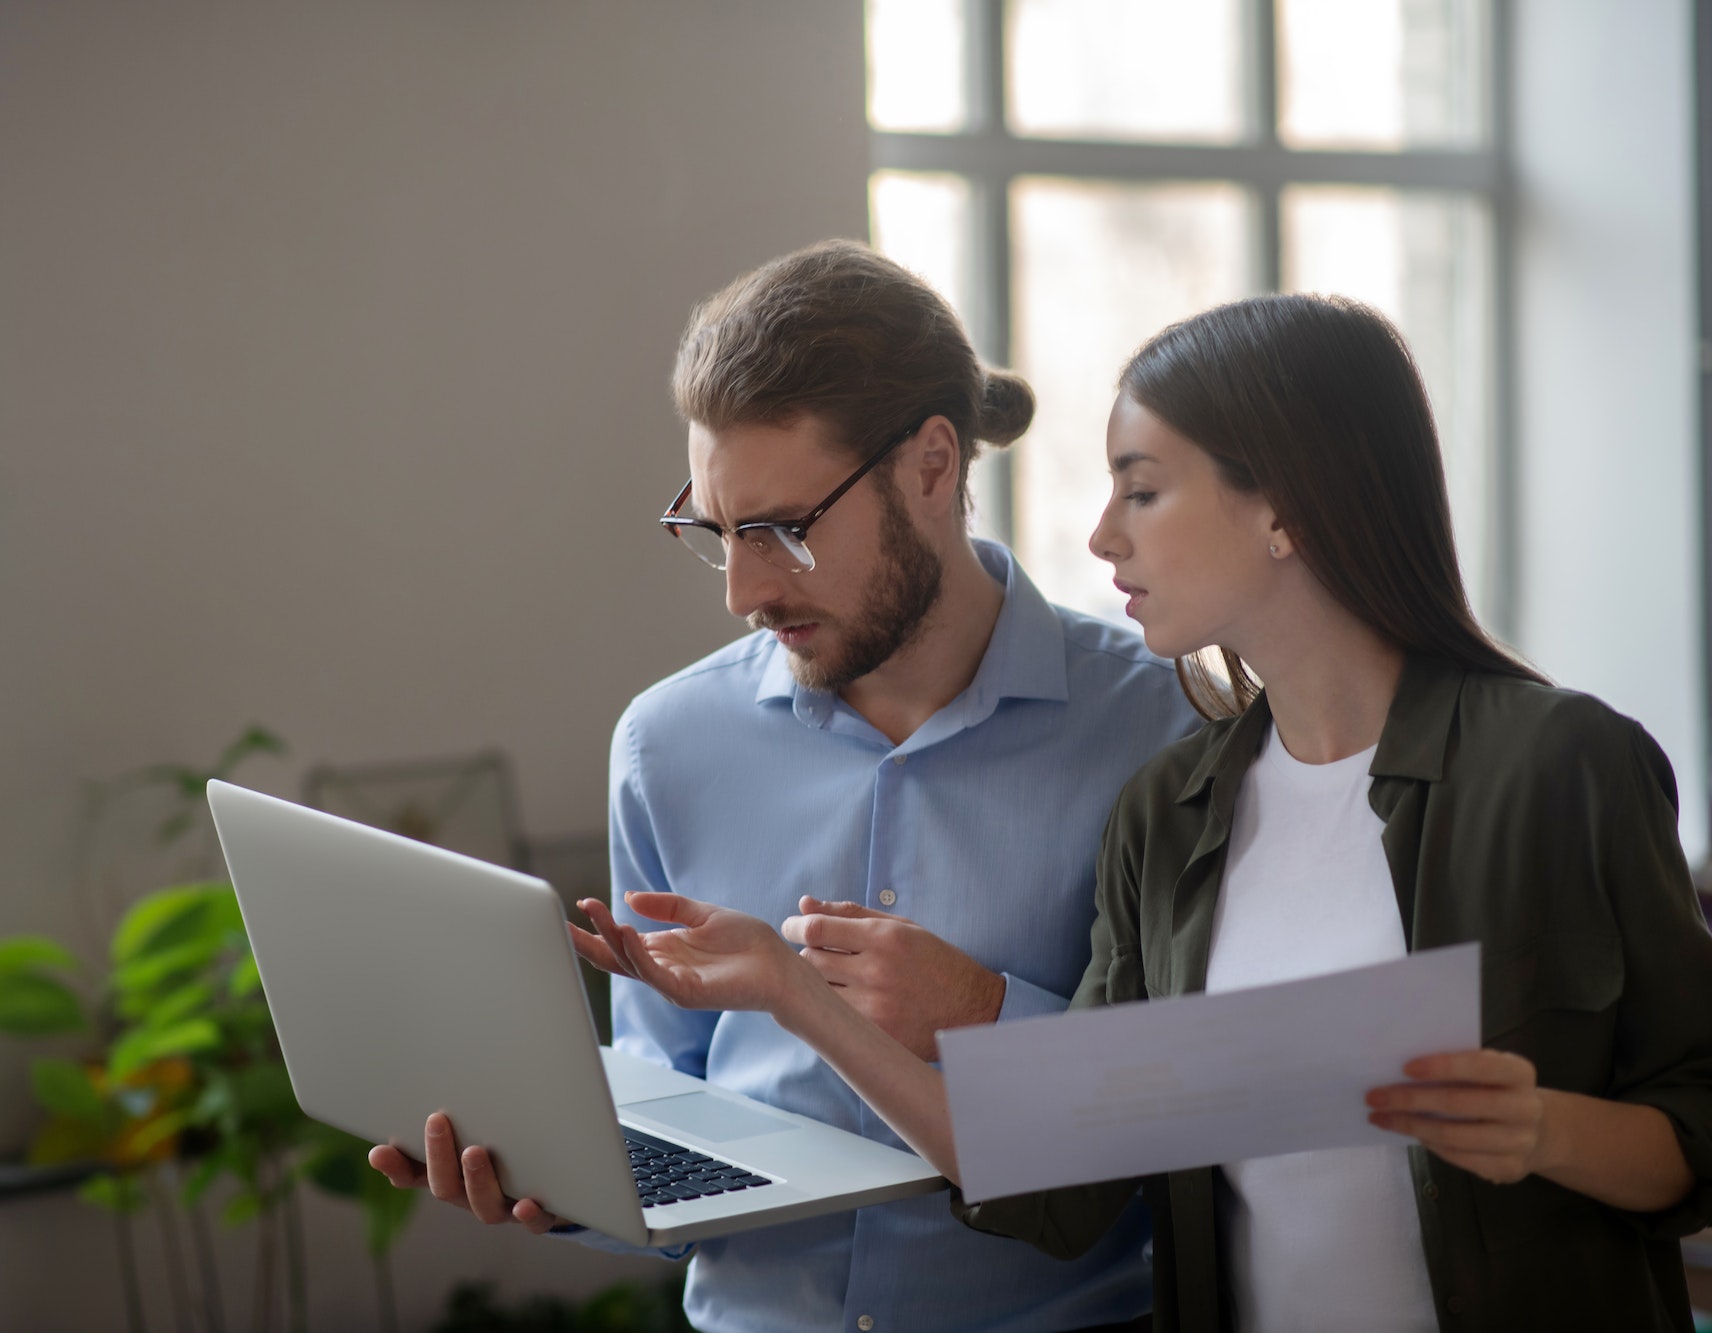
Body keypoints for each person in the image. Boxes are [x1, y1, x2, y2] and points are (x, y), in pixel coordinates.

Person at [570, 293, 1712, 1333]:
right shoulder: (1174, 807)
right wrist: (785, 989)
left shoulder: (1558, 763)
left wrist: (1545, 1132)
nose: (1100, 535)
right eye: (717, 533)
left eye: (1142, 488)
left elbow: (1692, 1115)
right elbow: (1067, 1173)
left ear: (1286, 510)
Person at [368, 240, 1203, 1333]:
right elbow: (662, 1096)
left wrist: (982, 1011)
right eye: (716, 535)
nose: (743, 592)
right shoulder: (666, 743)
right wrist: (555, 1180)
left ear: (932, 465)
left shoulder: (1165, 725)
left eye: (780, 532)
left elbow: (1191, 1107)